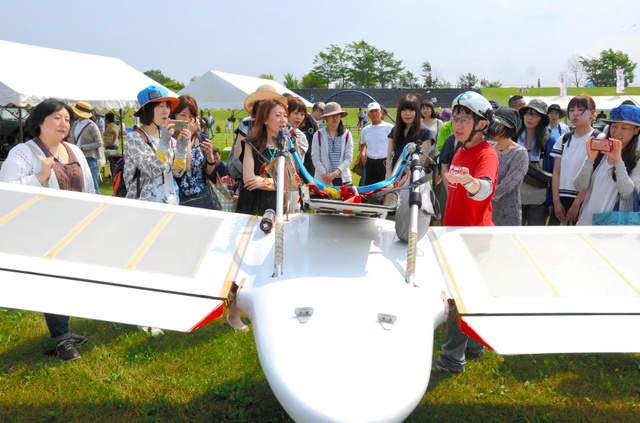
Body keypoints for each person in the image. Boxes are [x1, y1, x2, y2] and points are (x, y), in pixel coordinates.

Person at [0, 98, 95, 361]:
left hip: (73, 228)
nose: (63, 123)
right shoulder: (23, 153)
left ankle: (64, 328)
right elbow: (7, 192)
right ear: (40, 121)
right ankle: (61, 339)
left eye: (67, 119)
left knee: (70, 278)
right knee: (53, 281)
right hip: (42, 231)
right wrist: (40, 177)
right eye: (56, 117)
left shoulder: (74, 152)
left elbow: (89, 189)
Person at [434, 91, 498, 374]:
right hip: (455, 229)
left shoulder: (487, 153)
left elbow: (484, 188)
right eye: (456, 118)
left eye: (465, 119)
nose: (458, 124)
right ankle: (474, 346)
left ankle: (451, 359)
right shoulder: (460, 148)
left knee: (458, 298)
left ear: (482, 124)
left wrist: (470, 182)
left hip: (474, 235)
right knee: (466, 294)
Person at [574, 104, 640, 225]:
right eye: (614, 126)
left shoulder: (637, 159)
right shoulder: (600, 152)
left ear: (636, 130)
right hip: (585, 222)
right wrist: (589, 160)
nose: (617, 132)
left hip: (612, 227)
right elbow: (579, 186)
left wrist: (618, 161)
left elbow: (627, 193)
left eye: (624, 128)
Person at [550, 95, 600, 225]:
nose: (575, 114)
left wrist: (577, 203)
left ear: (592, 113)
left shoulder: (598, 138)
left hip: (585, 199)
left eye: (581, 110)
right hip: (561, 198)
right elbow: (556, 172)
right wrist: (556, 202)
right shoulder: (564, 138)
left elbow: (594, 175)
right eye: (571, 110)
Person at [236, 98, 288, 215]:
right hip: (251, 206)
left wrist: (263, 182)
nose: (283, 120)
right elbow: (249, 181)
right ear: (265, 120)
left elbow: (290, 183)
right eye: (278, 115)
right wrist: (276, 183)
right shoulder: (251, 143)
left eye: (285, 115)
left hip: (276, 206)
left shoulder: (287, 145)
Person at [171, 95, 217, 209]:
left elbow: (209, 173)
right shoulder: (170, 140)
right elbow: (185, 166)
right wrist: (188, 136)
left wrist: (211, 158)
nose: (187, 120)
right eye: (183, 115)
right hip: (180, 201)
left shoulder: (201, 138)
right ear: (174, 116)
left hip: (203, 198)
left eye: (191, 116)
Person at [516, 99, 554, 225]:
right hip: (515, 197)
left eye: (535, 114)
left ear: (542, 118)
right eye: (527, 113)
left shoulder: (549, 140)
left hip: (539, 199)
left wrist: (551, 201)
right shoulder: (514, 136)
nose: (529, 118)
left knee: (535, 238)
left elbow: (552, 172)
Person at [490, 108, 529, 225]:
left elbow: (509, 184)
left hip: (508, 211)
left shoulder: (520, 153)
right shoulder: (489, 148)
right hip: (485, 210)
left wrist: (483, 196)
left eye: (499, 124)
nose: (494, 127)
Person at [386, 94, 434, 180]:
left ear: (417, 112)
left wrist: (403, 181)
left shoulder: (426, 134)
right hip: (394, 177)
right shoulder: (394, 131)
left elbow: (420, 162)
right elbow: (389, 158)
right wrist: (388, 178)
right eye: (404, 110)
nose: (407, 113)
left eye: (411, 110)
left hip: (414, 181)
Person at [311, 102, 353, 186]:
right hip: (323, 179)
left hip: (343, 179)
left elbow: (348, 158)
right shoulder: (318, 134)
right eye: (332, 116)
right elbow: (315, 158)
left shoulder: (347, 134)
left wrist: (335, 173)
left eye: (337, 115)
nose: (335, 118)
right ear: (326, 118)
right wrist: (325, 174)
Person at [70, 101, 103, 193]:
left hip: (90, 158)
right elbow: (72, 138)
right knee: (82, 185)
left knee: (93, 184)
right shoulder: (75, 124)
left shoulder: (92, 126)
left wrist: (83, 147)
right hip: (77, 157)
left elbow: (99, 143)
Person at [359, 102, 393, 185]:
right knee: (370, 189)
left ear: (381, 112)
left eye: (376, 111)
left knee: (385, 188)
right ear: (368, 114)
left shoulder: (390, 128)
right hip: (370, 163)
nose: (374, 114)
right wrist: (363, 153)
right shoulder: (365, 130)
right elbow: (363, 144)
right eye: (371, 111)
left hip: (385, 162)